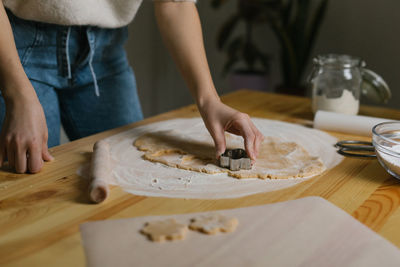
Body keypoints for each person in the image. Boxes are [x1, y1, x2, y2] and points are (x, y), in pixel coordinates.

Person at [0, 0, 263, 174]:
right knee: (28, 175)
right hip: (14, 49)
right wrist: (17, 94)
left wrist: (209, 100)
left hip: (105, 51)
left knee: (134, 169)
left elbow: (175, 2)